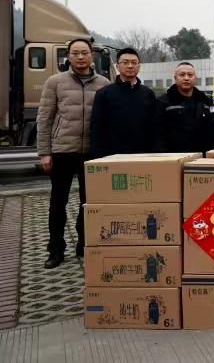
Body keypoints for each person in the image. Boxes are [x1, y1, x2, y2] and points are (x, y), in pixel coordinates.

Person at [37, 39, 110, 268]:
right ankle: (56, 250)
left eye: (84, 53)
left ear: (91, 56)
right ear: (68, 57)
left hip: (92, 151)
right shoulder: (55, 82)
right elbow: (44, 119)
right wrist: (44, 152)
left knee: (88, 202)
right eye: (75, 53)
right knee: (58, 202)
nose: (80, 57)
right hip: (62, 150)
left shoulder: (104, 84)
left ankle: (84, 244)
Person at [90, 48, 157, 158]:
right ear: (117, 67)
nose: (130, 66)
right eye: (125, 62)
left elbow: (154, 126)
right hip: (112, 155)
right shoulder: (104, 93)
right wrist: (98, 155)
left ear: (139, 66)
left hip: (143, 155)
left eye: (134, 63)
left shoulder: (148, 93)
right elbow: (96, 127)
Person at [154, 62, 214, 155]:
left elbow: (212, 128)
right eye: (182, 75)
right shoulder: (163, 102)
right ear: (175, 78)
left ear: (195, 78)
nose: (186, 78)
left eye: (190, 75)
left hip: (202, 157)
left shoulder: (205, 101)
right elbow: (157, 135)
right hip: (175, 157)